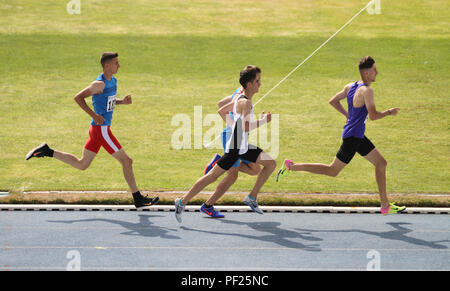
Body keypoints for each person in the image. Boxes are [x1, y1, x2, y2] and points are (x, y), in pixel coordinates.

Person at [25, 52, 159, 209]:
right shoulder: (98, 84)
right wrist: (94, 115)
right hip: (101, 130)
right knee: (127, 161)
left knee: (82, 164)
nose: (119, 65)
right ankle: (138, 198)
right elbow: (78, 98)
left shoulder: (113, 81)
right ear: (107, 66)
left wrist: (122, 101)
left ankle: (47, 151)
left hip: (97, 130)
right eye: (116, 63)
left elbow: (107, 101)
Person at [276, 56, 406, 215]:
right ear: (366, 73)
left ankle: (385, 205)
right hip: (353, 138)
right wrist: (389, 112)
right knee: (332, 170)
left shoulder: (350, 86)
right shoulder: (367, 91)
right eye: (374, 70)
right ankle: (291, 166)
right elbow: (373, 116)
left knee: (381, 163)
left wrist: (348, 116)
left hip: (356, 135)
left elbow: (333, 101)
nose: (377, 73)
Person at [174, 65, 276, 222]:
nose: (260, 84)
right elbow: (246, 126)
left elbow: (227, 113)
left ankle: (252, 197)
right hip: (236, 147)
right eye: (258, 81)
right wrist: (264, 121)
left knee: (270, 164)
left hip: (241, 145)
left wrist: (235, 125)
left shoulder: (240, 99)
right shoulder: (245, 103)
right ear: (249, 84)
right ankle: (182, 201)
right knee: (212, 177)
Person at [201, 87, 261, 218]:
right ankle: (208, 206)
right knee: (232, 176)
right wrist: (233, 124)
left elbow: (221, 103)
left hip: (238, 140)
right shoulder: (242, 96)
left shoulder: (239, 91)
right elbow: (222, 108)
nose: (259, 84)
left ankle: (220, 162)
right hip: (232, 138)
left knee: (255, 169)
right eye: (257, 80)